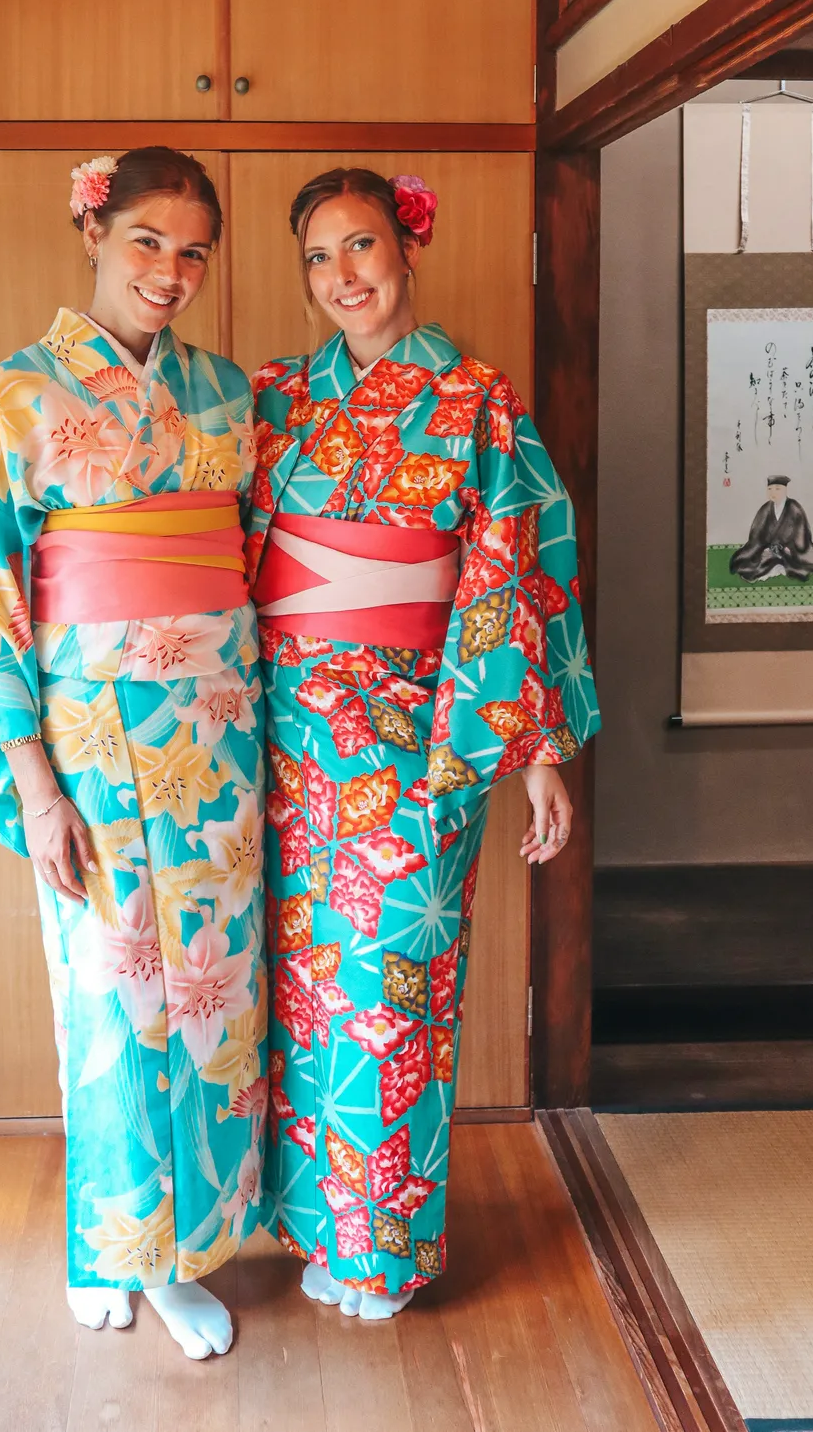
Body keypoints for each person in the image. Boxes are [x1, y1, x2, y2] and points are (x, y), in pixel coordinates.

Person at [0, 148, 265, 1361]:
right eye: (148, 241)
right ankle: (109, 1240)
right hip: (91, 739)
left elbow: (259, 558)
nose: (171, 271)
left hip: (219, 733)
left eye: (194, 250)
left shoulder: (225, 394)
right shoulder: (19, 394)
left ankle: (186, 1253)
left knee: (213, 986)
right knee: (113, 994)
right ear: (94, 232)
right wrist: (29, 777)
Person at [246, 168, 599, 1320]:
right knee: (304, 992)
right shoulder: (277, 398)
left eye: (361, 248)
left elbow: (515, 575)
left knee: (395, 991)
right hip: (290, 734)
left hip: (420, 734)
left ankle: (383, 1252)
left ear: (409, 248)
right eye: (318, 258)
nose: (342, 277)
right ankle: (315, 1228)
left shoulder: (478, 399)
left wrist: (534, 744)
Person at [729, 474, 813, 581]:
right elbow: (757, 534)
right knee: (749, 564)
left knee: (796, 565)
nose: (773, 492)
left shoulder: (794, 508)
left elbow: (801, 533)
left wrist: (790, 548)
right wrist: (763, 547)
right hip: (768, 549)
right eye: (769, 489)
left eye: (777, 489)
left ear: (785, 490)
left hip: (790, 551)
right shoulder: (765, 509)